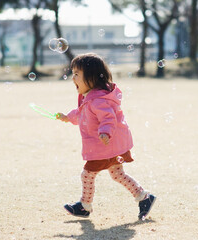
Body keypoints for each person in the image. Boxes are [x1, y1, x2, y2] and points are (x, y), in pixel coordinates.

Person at [56, 53, 156, 220]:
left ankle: (84, 206)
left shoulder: (98, 100)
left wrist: (105, 132)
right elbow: (81, 113)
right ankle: (144, 197)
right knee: (117, 174)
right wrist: (67, 117)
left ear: (92, 78)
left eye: (76, 74)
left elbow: (108, 118)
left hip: (105, 146)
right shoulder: (91, 98)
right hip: (112, 146)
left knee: (87, 174)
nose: (72, 78)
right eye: (72, 73)